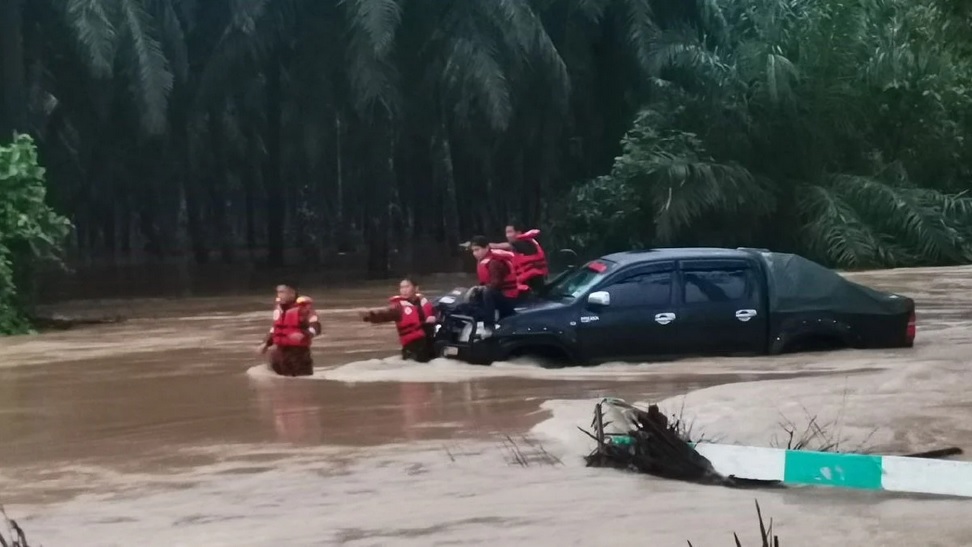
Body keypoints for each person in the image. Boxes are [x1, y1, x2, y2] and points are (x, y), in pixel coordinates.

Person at [359, 277, 437, 362]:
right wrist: (370, 315)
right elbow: (385, 314)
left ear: (416, 288)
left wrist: (435, 318)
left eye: (407, 287)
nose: (404, 290)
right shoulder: (398, 307)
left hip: (430, 343)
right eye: (402, 287)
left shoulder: (425, 302)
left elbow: (437, 313)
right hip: (413, 347)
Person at [257, 284, 322, 377]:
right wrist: (266, 344)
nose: (279, 295)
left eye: (283, 292)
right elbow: (275, 328)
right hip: (279, 353)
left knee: (301, 382)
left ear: (292, 293)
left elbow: (316, 328)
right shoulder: (279, 308)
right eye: (278, 292)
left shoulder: (304, 308)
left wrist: (304, 335)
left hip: (298, 354)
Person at [469, 235, 522, 323]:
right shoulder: (484, 260)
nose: (475, 253)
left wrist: (481, 289)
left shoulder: (494, 262)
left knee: (487, 292)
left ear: (486, 247)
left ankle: (489, 326)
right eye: (473, 251)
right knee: (474, 294)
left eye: (477, 250)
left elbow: (496, 284)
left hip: (508, 299)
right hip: (497, 296)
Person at [487, 224, 549, 293]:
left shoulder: (523, 243)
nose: (507, 235)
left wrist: (483, 246)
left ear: (518, 233)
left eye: (510, 232)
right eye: (506, 233)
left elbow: (498, 246)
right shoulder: (526, 243)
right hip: (531, 280)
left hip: (534, 281)